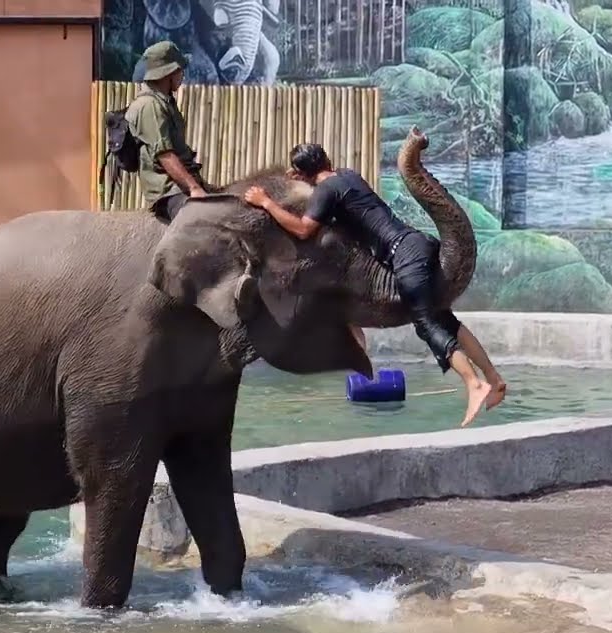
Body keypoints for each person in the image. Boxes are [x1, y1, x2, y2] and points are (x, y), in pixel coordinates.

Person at [242, 143, 507, 428]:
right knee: (445, 317)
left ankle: (474, 384)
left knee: (427, 324)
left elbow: (304, 229)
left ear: (301, 173)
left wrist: (265, 202)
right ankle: (494, 379)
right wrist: (304, 178)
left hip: (403, 256)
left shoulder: (325, 191)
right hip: (418, 243)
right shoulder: (347, 176)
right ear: (327, 160)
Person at [124, 40, 208, 223]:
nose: (182, 75)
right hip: (169, 192)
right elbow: (165, 155)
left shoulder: (164, 101)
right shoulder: (149, 106)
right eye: (179, 70)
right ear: (168, 73)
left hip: (180, 185)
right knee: (203, 223)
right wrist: (194, 189)